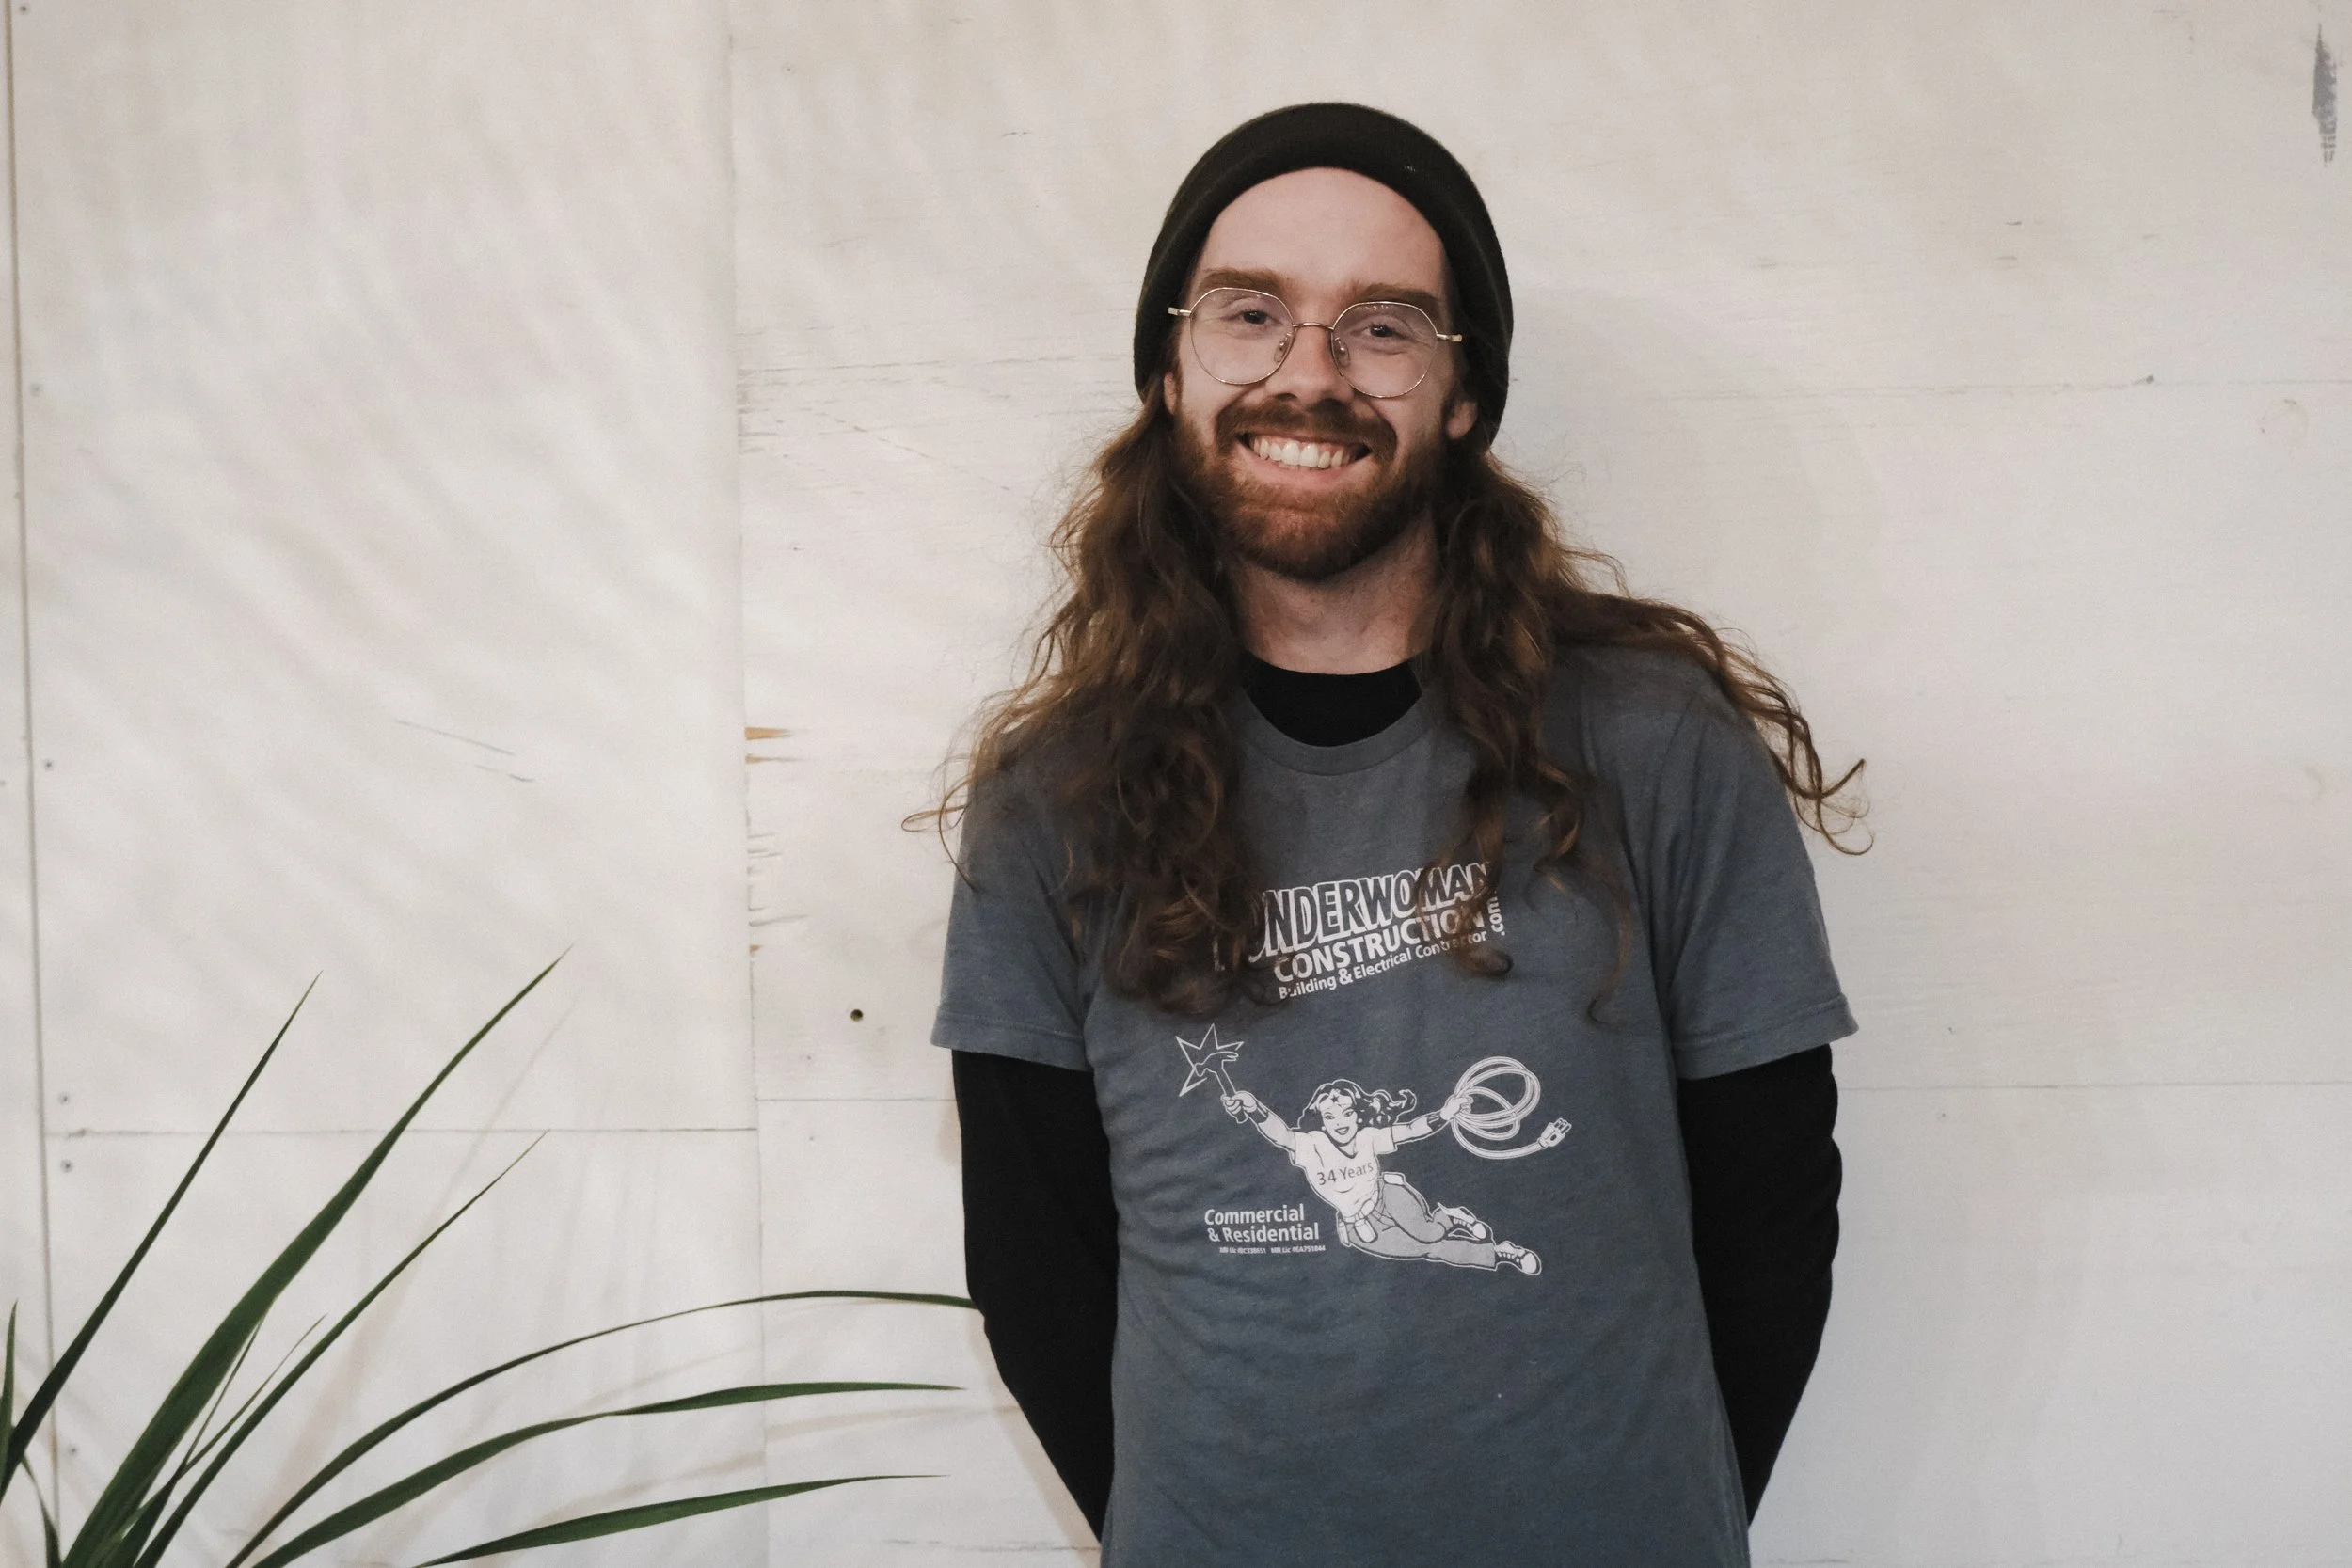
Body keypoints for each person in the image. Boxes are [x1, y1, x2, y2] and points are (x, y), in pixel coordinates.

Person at [928, 102, 1862, 1566]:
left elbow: (1773, 1200)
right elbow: (1036, 1256)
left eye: (1382, 327)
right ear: (1172, 367)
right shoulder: (1057, 790)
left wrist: (1655, 1511)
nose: (1310, 373)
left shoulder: (1655, 740)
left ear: (1463, 392)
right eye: (1251, 313)